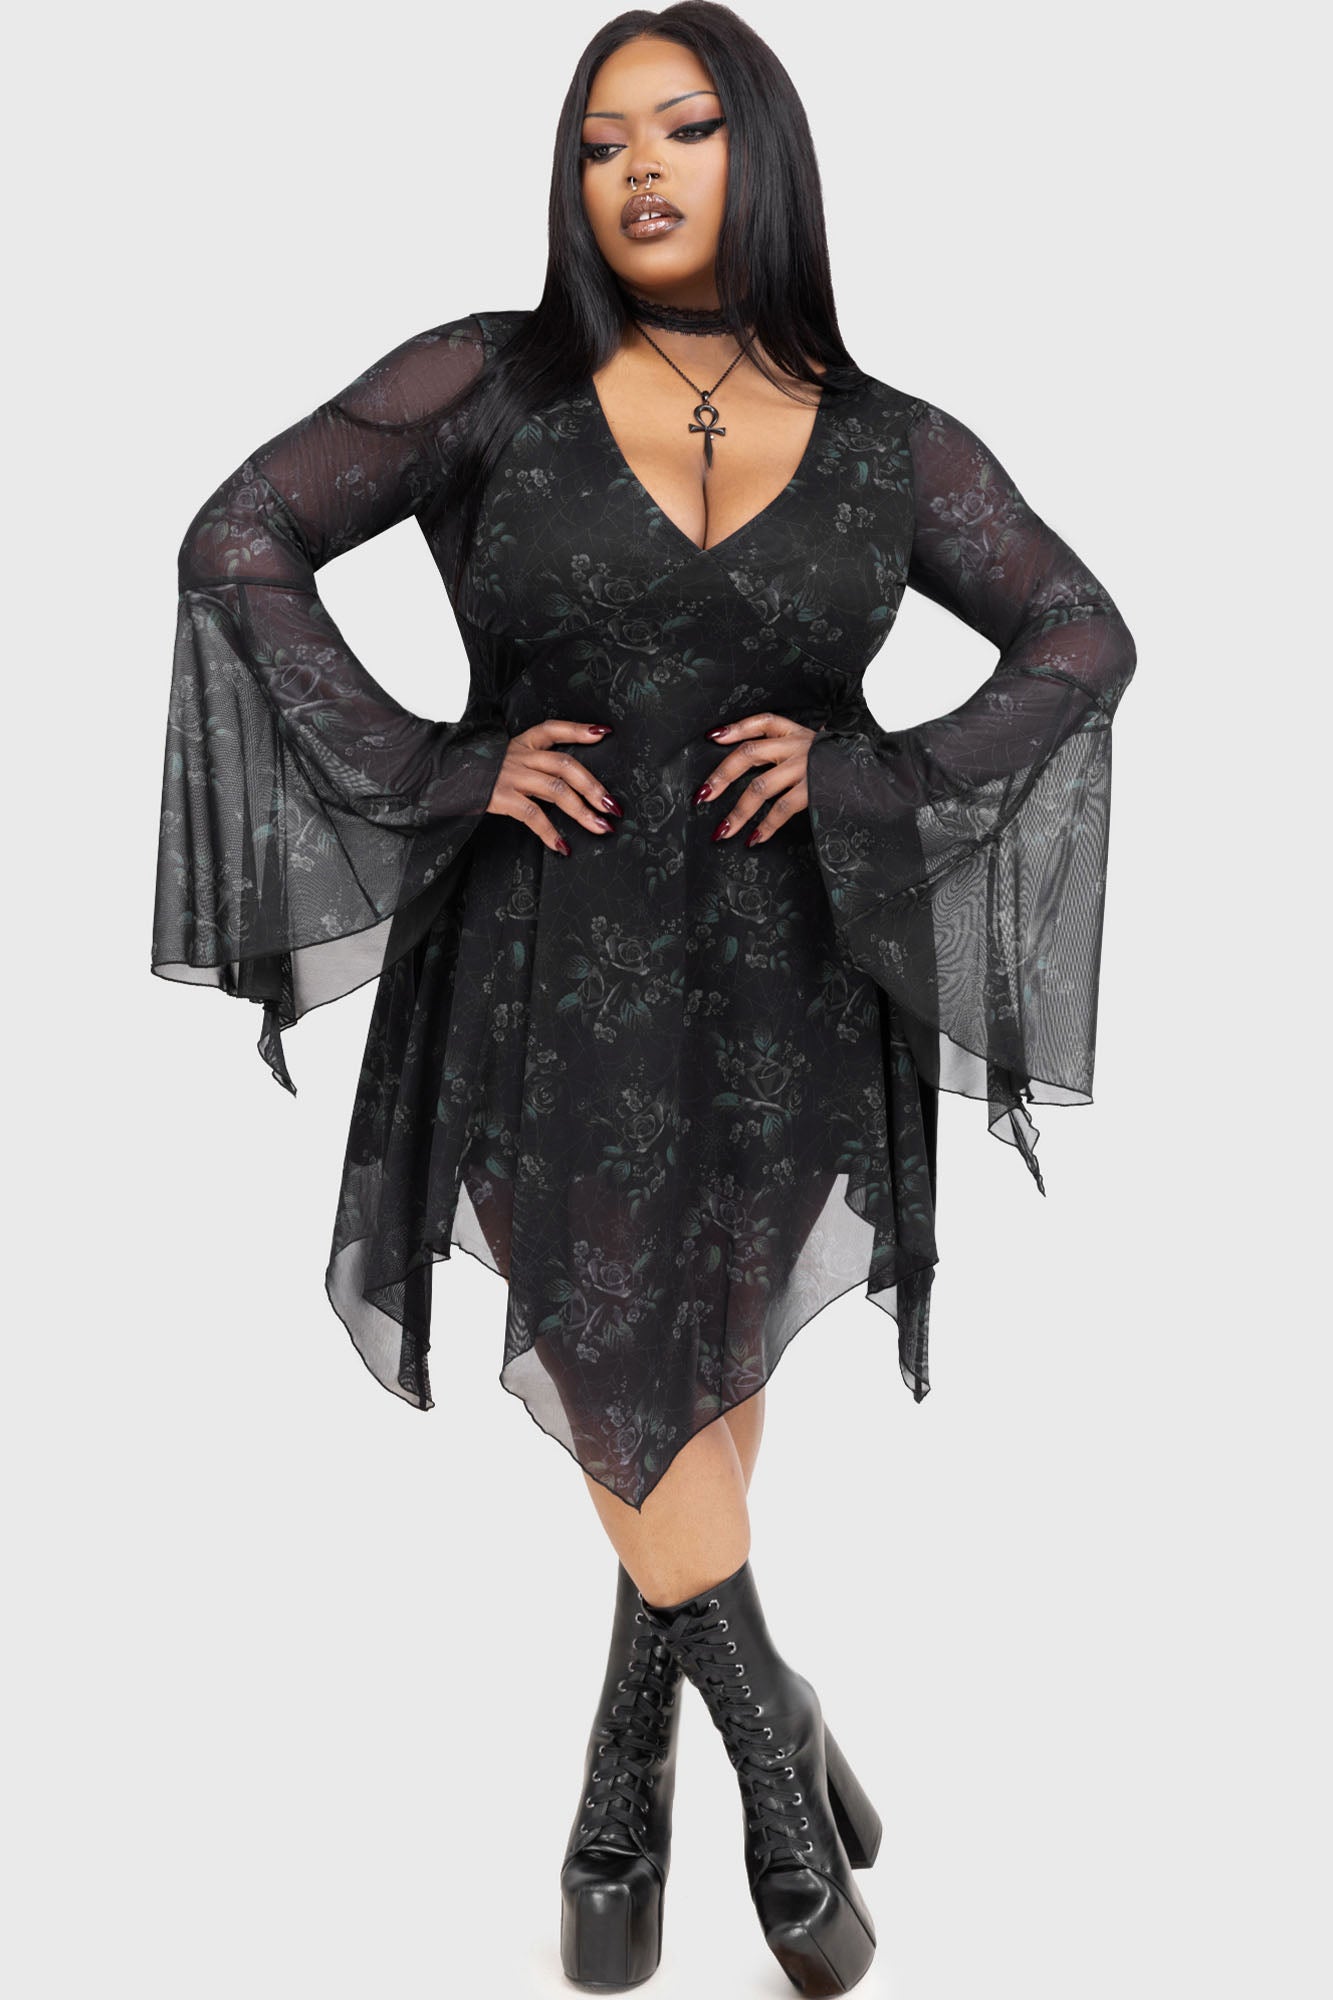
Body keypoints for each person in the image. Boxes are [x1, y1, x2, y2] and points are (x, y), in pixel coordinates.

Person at [150, 5, 1136, 1992]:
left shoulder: (892, 444)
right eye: (603, 143)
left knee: (689, 1365)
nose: (640, 171)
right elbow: (237, 538)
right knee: (612, 1361)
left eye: (682, 129)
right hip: (541, 960)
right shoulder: (486, 384)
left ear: (762, 152)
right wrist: (437, 767)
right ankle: (774, 1752)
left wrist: (871, 775)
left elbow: (1078, 635)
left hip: (786, 975)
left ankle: (623, 1768)